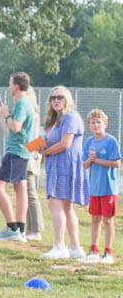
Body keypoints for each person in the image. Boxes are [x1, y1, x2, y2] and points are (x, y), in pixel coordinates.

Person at [38, 86, 89, 259]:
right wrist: (41, 148)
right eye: (53, 98)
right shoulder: (56, 119)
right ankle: (75, 248)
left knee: (56, 204)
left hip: (66, 165)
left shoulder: (71, 117)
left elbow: (65, 144)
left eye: (60, 97)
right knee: (66, 207)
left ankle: (60, 247)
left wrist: (46, 151)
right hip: (56, 165)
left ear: (67, 99)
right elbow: (51, 143)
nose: (56, 100)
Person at [0, 72, 37, 242]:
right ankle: (21, 229)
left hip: (16, 153)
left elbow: (16, 127)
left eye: (10, 83)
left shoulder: (22, 104)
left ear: (16, 86)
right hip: (20, 151)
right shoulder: (24, 103)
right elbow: (11, 133)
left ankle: (12, 228)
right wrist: (2, 115)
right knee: (20, 188)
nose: (9, 87)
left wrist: (7, 114)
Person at [80, 108, 119, 263]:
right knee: (95, 218)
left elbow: (116, 163)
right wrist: (91, 159)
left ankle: (107, 253)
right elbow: (84, 165)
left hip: (108, 187)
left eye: (98, 122)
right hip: (94, 188)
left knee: (108, 220)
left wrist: (98, 160)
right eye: (93, 123)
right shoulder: (89, 142)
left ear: (105, 124)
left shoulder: (110, 141)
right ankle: (93, 251)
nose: (96, 125)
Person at [23, 87, 45, 242]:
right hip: (30, 155)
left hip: (29, 157)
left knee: (30, 193)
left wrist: (25, 149)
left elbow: (35, 140)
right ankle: (29, 227)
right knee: (25, 192)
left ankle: (36, 229)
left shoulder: (32, 115)